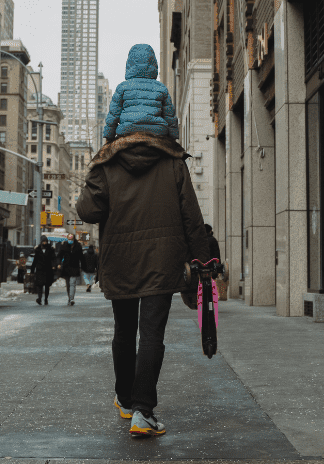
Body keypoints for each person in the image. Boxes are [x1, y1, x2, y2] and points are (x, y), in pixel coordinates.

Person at [77, 131, 208, 438]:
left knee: (123, 332)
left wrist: (95, 169)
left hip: (120, 261)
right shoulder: (173, 160)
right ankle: (143, 412)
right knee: (151, 335)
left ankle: (125, 400)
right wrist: (202, 260)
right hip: (162, 262)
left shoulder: (107, 162)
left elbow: (87, 210)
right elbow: (191, 215)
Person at [101, 44, 179, 145]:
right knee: (178, 159)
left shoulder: (122, 87)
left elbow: (113, 116)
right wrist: (174, 137)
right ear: (154, 63)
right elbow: (170, 117)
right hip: (158, 132)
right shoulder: (161, 88)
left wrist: (108, 137)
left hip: (127, 131)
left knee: (102, 160)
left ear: (129, 64)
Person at [57, 233, 84, 306]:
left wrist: (83, 266)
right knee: (68, 284)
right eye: (69, 239)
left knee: (72, 283)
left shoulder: (78, 246)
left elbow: (81, 257)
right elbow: (59, 255)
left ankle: (71, 298)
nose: (70, 241)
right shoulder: (64, 246)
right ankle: (70, 297)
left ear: (73, 239)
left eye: (71, 239)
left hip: (75, 267)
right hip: (66, 267)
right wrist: (59, 263)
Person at [30, 236, 56, 305]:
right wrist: (32, 269)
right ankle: (39, 298)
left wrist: (54, 266)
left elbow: (53, 258)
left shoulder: (51, 249)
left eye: (46, 242)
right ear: (41, 242)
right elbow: (35, 260)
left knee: (47, 285)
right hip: (40, 270)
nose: (44, 243)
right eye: (43, 242)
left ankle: (46, 299)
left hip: (48, 270)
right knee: (39, 285)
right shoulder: (38, 249)